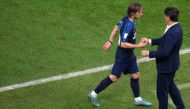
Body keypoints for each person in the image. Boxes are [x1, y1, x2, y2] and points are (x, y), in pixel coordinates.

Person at [88, 3, 152, 107]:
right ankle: (93, 94)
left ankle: (138, 99)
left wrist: (110, 41)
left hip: (130, 56)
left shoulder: (126, 18)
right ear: (133, 13)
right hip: (122, 57)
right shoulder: (128, 25)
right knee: (113, 77)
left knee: (135, 74)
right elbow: (123, 44)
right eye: (139, 12)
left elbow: (116, 28)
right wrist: (138, 45)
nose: (141, 14)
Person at [141, 7, 186, 109]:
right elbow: (164, 40)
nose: (164, 17)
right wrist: (149, 41)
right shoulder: (176, 27)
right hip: (171, 65)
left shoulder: (172, 32)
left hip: (166, 67)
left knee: (161, 93)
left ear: (168, 17)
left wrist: (148, 53)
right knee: (171, 87)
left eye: (165, 15)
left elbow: (165, 52)